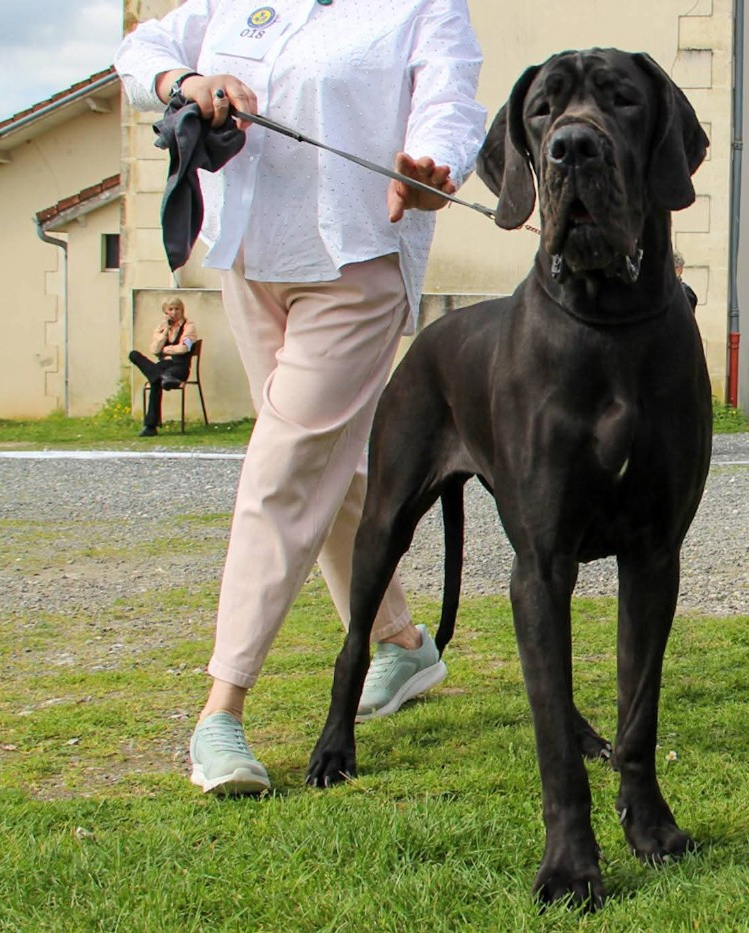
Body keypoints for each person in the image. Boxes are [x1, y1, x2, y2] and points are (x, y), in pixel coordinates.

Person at [115, 0, 486, 795]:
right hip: (249, 260)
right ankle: (404, 639)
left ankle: (221, 711)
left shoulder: (422, 8)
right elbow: (139, 51)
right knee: (329, 470)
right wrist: (188, 79)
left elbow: (453, 101)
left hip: (357, 265)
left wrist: (431, 169)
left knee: (281, 473)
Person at [129, 297, 197, 437]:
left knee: (155, 382)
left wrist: (166, 350)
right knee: (134, 355)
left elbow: (184, 348)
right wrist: (165, 331)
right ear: (165, 312)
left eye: (177, 309)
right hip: (163, 366)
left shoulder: (189, 326)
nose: (174, 312)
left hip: (179, 366)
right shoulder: (161, 328)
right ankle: (164, 378)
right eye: (170, 309)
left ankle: (150, 426)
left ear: (182, 310)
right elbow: (154, 350)